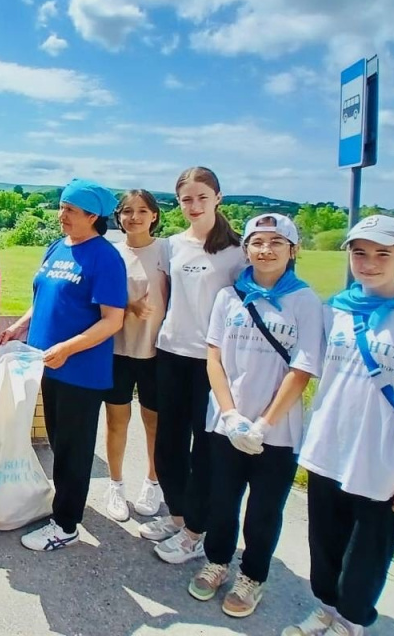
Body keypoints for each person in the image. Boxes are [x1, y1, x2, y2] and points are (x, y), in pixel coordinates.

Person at [284, 215, 394, 636]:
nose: (369, 262)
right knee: (325, 542)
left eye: (383, 253)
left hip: (381, 458)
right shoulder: (335, 311)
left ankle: (351, 622)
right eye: (360, 252)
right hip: (328, 447)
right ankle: (327, 610)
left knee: (367, 552)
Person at [188, 214, 323, 619]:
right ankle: (217, 561)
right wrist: (229, 415)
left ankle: (252, 576)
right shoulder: (229, 297)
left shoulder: (306, 301)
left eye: (276, 243)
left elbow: (301, 369)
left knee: (264, 508)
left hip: (276, 433)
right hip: (226, 424)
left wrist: (263, 424)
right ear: (246, 248)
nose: (265, 250)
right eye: (257, 242)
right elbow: (214, 355)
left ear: (292, 251)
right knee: (223, 500)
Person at [0, 179, 127, 551]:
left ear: (93, 216)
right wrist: (21, 326)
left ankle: (66, 524)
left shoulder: (105, 258)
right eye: (62, 207)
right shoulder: (57, 248)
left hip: (80, 370)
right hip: (47, 364)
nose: (62, 215)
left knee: (74, 447)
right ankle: (65, 504)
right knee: (59, 441)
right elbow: (43, 298)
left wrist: (68, 348)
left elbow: (111, 320)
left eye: (70, 210)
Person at [144, 166, 246, 564]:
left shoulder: (237, 251)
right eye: (187, 198)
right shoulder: (172, 246)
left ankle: (195, 531)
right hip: (170, 353)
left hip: (211, 362)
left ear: (218, 198)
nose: (194, 205)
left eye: (202, 197)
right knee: (168, 446)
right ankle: (178, 515)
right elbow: (168, 299)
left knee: (204, 450)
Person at [103, 189, 169, 522]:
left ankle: (153, 482)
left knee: (154, 422)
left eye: (142, 211)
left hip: (157, 351)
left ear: (154, 215)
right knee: (117, 421)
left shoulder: (167, 252)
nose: (134, 217)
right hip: (117, 349)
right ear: (119, 216)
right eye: (127, 211)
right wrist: (129, 306)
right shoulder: (112, 253)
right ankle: (115, 485)